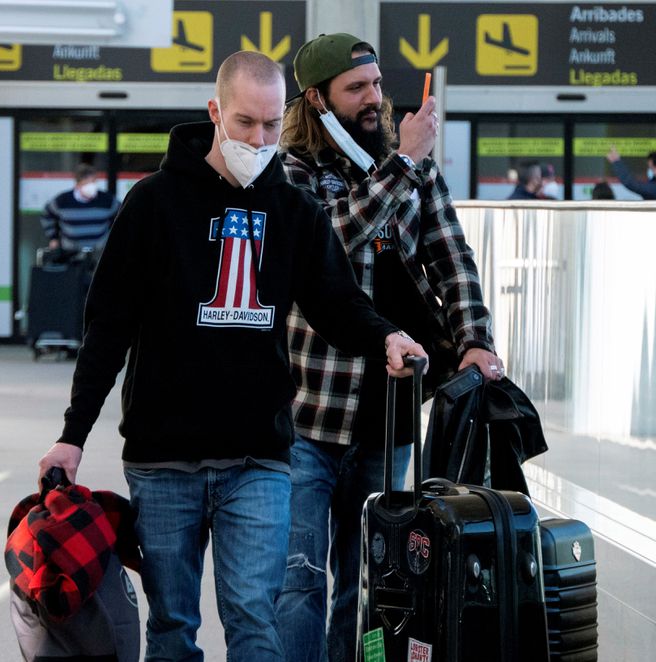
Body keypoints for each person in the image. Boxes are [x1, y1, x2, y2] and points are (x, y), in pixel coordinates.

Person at [37, 50, 427, 662]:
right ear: (215, 111)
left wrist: (385, 338)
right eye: (245, 123)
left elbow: (337, 302)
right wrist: (72, 435)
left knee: (255, 623)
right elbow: (107, 329)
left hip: (258, 460)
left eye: (272, 125)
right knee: (171, 628)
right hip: (164, 461)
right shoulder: (153, 205)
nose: (260, 138)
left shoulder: (294, 211)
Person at [274, 33, 502, 662]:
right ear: (318, 101)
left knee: (369, 577)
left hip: (388, 417)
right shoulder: (292, 170)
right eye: (357, 89)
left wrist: (475, 340)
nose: (375, 99)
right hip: (307, 416)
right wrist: (404, 163)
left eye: (376, 84)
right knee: (297, 579)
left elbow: (451, 257)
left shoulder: (409, 164)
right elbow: (332, 243)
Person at [40, 162, 120, 254]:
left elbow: (121, 215)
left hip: (99, 254)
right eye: (87, 183)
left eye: (93, 182)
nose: (91, 186)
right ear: (77, 184)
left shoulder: (107, 200)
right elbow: (47, 214)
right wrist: (53, 237)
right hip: (70, 253)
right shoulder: (62, 201)